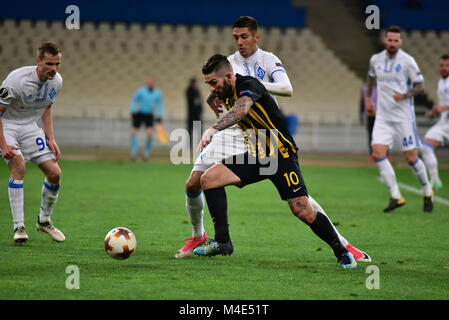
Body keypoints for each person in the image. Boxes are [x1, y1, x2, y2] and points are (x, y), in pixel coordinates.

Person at [176, 17, 370, 263]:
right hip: (255, 149)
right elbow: (221, 101)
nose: (212, 88)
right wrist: (216, 107)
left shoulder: (252, 79)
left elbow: (246, 107)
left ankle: (342, 250)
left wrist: (214, 128)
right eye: (235, 37)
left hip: (279, 152)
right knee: (206, 179)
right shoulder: (225, 79)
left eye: (214, 83)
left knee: (301, 206)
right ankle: (222, 243)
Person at [0, 41, 65, 243]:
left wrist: (50, 138)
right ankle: (19, 227)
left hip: (29, 127)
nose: (53, 69)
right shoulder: (16, 80)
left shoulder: (57, 82)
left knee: (55, 173)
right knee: (18, 166)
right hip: (7, 125)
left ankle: (44, 221)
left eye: (57, 64)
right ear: (38, 61)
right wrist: (3, 145)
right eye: (49, 64)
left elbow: (46, 108)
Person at [366, 26, 433, 213]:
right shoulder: (376, 59)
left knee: (411, 157)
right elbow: (371, 78)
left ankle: (427, 190)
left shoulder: (408, 61)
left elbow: (420, 85)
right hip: (383, 117)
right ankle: (396, 195)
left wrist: (405, 95)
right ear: (385, 40)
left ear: (400, 42)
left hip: (403, 118)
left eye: (396, 41)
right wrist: (368, 98)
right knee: (378, 153)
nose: (393, 43)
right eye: (390, 40)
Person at [420, 54, 449, 190]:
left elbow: (444, 106)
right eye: (442, 65)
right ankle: (435, 180)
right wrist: (435, 112)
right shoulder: (441, 83)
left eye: (447, 66)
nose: (444, 68)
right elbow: (443, 105)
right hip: (444, 124)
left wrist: (442, 108)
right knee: (426, 146)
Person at [129, 76, 164, 161]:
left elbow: (160, 105)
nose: (150, 84)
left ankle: (146, 153)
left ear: (153, 84)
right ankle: (134, 152)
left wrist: (159, 116)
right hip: (140, 114)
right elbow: (134, 100)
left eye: (152, 82)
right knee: (133, 133)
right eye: (149, 82)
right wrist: (133, 110)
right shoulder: (141, 91)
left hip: (149, 115)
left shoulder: (157, 93)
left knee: (149, 134)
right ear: (147, 83)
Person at [186, 78, 203, 148]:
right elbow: (192, 102)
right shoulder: (189, 91)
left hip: (198, 115)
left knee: (199, 131)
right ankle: (190, 146)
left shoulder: (197, 91)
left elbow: (200, 102)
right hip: (191, 115)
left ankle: (201, 145)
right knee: (190, 131)